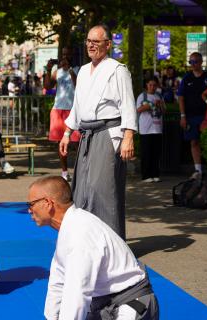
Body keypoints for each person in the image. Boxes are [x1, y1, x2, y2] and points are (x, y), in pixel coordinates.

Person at [27, 175, 159, 320]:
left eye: (31, 204)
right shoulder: (70, 226)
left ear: (48, 203)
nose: (29, 210)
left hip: (131, 303)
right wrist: (51, 317)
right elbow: (58, 280)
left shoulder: (80, 232)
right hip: (104, 303)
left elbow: (77, 292)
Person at [60, 24, 137, 240]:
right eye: (88, 41)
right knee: (82, 189)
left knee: (102, 189)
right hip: (87, 135)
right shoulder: (83, 71)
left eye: (96, 41)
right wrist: (67, 133)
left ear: (108, 44)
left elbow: (128, 104)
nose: (91, 45)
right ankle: (88, 241)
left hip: (108, 132)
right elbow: (78, 105)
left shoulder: (117, 69)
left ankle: (112, 243)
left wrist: (128, 137)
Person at [44, 52, 81, 181]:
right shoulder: (57, 72)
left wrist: (70, 70)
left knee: (77, 143)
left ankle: (80, 171)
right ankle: (64, 172)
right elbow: (47, 87)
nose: (65, 57)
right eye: (63, 55)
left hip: (73, 110)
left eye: (67, 55)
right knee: (62, 143)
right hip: (58, 109)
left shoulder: (78, 69)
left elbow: (79, 86)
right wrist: (48, 70)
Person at [177, 52, 207, 179]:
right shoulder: (186, 78)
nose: (193, 64)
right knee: (194, 142)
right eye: (191, 62)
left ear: (201, 62)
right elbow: (180, 97)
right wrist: (183, 116)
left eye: (195, 61)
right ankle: (198, 170)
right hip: (191, 116)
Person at [136, 78, 166, 183]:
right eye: (150, 85)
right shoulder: (142, 96)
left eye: (154, 85)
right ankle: (146, 175)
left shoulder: (159, 96)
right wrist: (147, 106)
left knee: (156, 153)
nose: (152, 87)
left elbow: (164, 110)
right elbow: (137, 109)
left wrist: (160, 105)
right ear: (147, 85)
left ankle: (155, 174)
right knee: (146, 153)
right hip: (145, 129)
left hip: (157, 129)